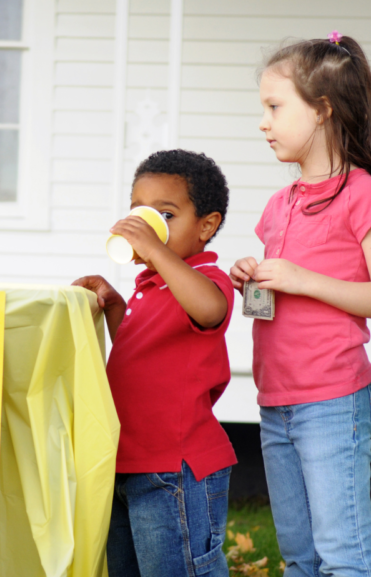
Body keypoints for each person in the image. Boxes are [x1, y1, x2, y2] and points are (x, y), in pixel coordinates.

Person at [228, 33, 371, 576]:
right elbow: (281, 290)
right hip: (275, 397)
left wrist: (303, 279)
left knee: (343, 555)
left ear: (323, 110)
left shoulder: (364, 194)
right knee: (299, 557)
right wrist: (251, 276)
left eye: (275, 107)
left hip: (331, 399)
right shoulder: (279, 203)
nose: (264, 121)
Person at [73, 149, 236, 577]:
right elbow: (141, 349)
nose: (147, 226)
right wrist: (114, 305)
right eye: (139, 214)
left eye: (165, 215)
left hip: (174, 468)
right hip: (127, 463)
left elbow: (208, 310)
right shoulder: (151, 286)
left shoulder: (205, 281)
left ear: (206, 225)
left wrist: (153, 249)